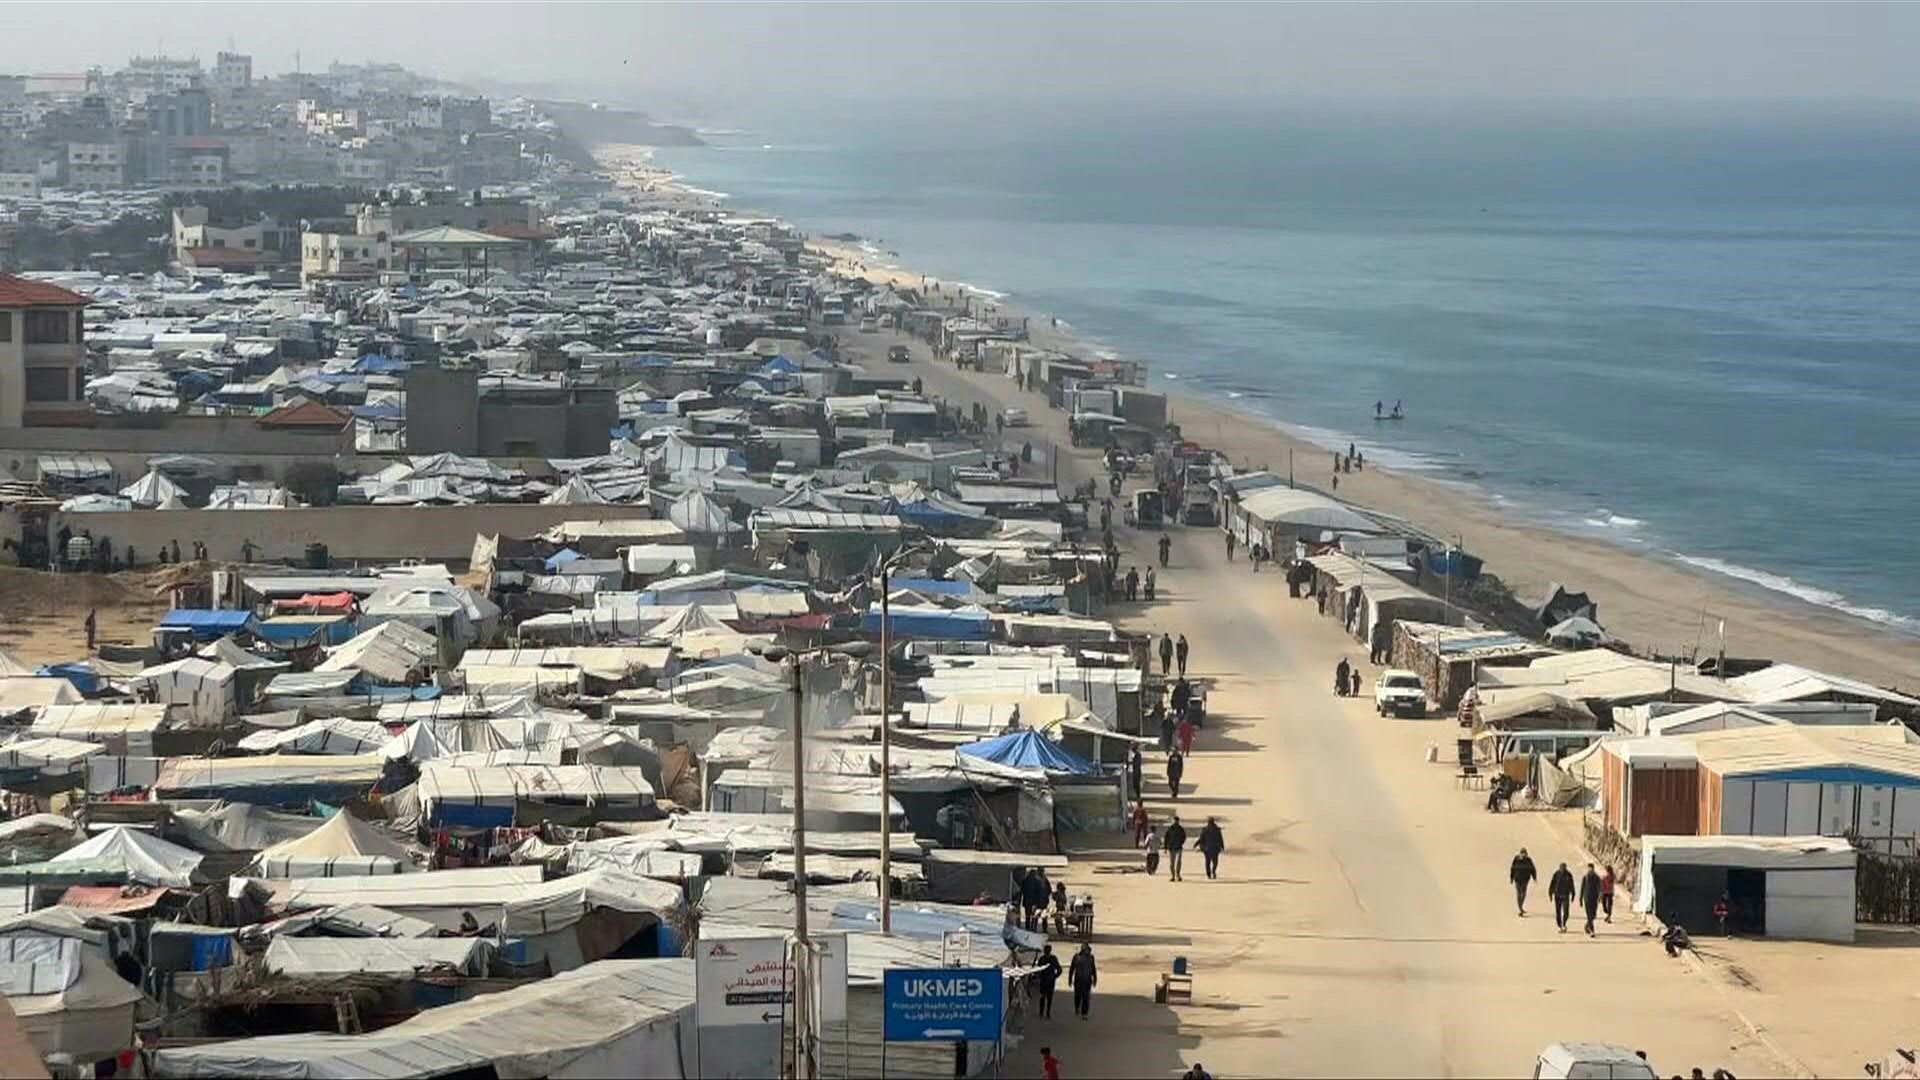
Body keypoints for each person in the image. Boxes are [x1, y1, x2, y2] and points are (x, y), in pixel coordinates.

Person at [1068, 944, 1097, 1019]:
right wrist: (1070, 979)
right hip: (1078, 980)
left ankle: (1084, 1013)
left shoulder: (1091, 958)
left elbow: (1093, 969)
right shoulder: (1076, 957)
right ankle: (1077, 1007)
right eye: (1086, 950)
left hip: (1087, 981)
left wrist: (1095, 979)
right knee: (1077, 996)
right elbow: (1072, 969)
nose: (1088, 951)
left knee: (1086, 997)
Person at [1549, 862, 1577, 932]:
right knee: (1558, 912)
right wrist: (1550, 894)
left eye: (1564, 868)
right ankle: (1560, 925)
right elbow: (1552, 883)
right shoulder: (1556, 874)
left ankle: (1564, 923)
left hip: (1565, 896)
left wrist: (1573, 894)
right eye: (1561, 868)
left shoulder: (1569, 875)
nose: (1562, 869)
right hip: (1557, 896)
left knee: (1566, 912)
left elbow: (1572, 885)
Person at [1510, 848, 1538, 916]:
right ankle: (1520, 908)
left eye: (1524, 854)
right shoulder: (1517, 859)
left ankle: (1520, 906)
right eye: (1522, 853)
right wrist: (1511, 877)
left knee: (1523, 894)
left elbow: (1532, 868)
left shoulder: (1528, 860)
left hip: (1524, 879)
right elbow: (1512, 868)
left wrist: (1534, 877)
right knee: (1520, 893)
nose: (1523, 855)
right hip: (1518, 879)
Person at [1034, 950, 1062, 1020]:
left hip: (1046, 981)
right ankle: (1046, 1013)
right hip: (1048, 981)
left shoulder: (1044, 959)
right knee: (1046, 998)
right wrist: (1054, 976)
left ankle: (1044, 1012)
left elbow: (1038, 969)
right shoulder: (1051, 958)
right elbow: (1059, 970)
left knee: (1045, 997)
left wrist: (1039, 976)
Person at [1580, 862, 1604, 936]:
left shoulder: (1597, 878)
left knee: (1593, 915)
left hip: (1594, 898)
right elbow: (1582, 888)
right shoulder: (1585, 877)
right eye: (1589, 869)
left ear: (1593, 869)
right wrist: (1580, 899)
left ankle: (1587, 926)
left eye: (1592, 869)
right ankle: (1592, 930)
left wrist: (1600, 896)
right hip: (1587, 898)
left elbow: (1600, 887)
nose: (1590, 870)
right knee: (1589, 915)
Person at [1164, 814, 1188, 881]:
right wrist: (1166, 847)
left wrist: (1181, 843)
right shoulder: (1170, 829)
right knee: (1172, 863)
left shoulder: (1181, 829)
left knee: (1178, 862)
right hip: (1171, 848)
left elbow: (1184, 837)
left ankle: (1178, 875)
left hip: (1179, 848)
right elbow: (1166, 838)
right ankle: (1173, 876)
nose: (1175, 822)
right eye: (1174, 821)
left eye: (1176, 821)